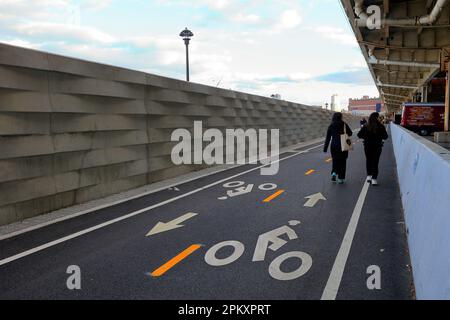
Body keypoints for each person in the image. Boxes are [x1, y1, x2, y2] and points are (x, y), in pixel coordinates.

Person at [357, 112, 389, 186]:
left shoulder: (366, 126)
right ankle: (374, 179)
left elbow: (359, 135)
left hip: (367, 146)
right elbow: (385, 137)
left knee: (368, 160)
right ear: (377, 118)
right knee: (375, 162)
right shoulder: (381, 126)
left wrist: (365, 137)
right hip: (377, 147)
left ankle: (369, 176)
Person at [324, 112, 353, 184]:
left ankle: (334, 173)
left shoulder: (331, 125)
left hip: (334, 146)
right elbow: (350, 133)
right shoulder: (344, 124)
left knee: (335, 160)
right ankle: (341, 178)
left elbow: (327, 138)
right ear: (341, 117)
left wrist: (325, 148)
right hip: (343, 145)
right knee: (343, 162)